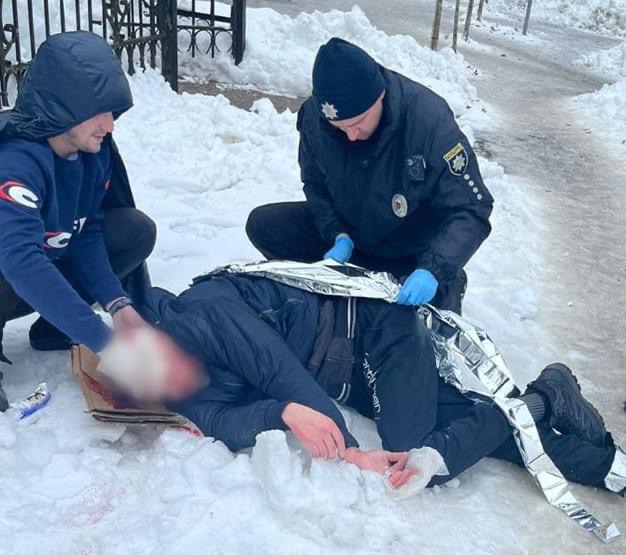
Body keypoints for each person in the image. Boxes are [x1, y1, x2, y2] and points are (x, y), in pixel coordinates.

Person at [98, 271, 626, 494]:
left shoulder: (208, 312)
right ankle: (594, 452)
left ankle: (540, 398)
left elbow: (279, 372)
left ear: (160, 333)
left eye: (168, 368)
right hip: (348, 374)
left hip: (376, 329)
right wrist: (278, 413)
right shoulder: (167, 380)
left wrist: (349, 451)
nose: (178, 386)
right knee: (469, 431)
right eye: (163, 387)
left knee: (416, 456)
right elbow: (221, 420)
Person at [246, 38, 493, 314]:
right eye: (339, 127)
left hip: (410, 251)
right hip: (352, 242)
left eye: (358, 123)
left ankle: (439, 281)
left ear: (379, 96)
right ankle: (329, 287)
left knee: (430, 314)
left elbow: (472, 209)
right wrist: (336, 234)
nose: (351, 135)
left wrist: (433, 269)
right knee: (264, 225)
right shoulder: (315, 119)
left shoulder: (428, 121)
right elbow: (315, 185)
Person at [0, 31, 156, 410]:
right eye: (98, 112)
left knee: (134, 230)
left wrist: (118, 304)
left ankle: (56, 327)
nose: (110, 125)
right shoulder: (15, 162)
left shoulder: (92, 151)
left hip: (34, 266)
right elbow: (21, 262)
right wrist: (105, 343)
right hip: (10, 272)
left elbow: (86, 231)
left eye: (113, 112)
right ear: (62, 108)